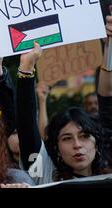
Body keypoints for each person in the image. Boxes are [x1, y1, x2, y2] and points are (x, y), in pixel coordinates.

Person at [16, 13, 112, 184]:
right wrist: (26, 69)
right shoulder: (44, 175)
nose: (77, 145)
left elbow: (107, 96)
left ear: (96, 143)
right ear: (56, 148)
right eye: (67, 138)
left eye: (84, 136)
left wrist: (110, 48)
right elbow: (27, 125)